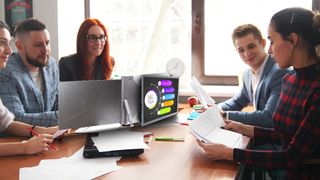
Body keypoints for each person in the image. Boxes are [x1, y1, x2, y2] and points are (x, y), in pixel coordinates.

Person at [197, 7, 320, 179]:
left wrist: (230, 154)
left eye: (272, 41)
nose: (270, 50)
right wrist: (244, 128)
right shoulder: (290, 79)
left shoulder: (315, 89)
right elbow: (284, 134)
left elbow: (292, 157)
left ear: (292, 40)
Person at [0, 20, 58, 156]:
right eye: (1, 43)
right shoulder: (7, 71)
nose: (9, 50)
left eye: (8, 43)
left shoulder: (52, 64)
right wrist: (24, 147)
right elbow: (16, 117)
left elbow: (6, 122)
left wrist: (41, 130)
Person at [217, 24, 290, 128]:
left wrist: (225, 115)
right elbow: (237, 102)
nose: (247, 54)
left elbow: (268, 117)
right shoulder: (247, 74)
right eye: (241, 50)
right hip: (257, 134)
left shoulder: (279, 72)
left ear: (263, 43)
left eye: (251, 46)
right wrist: (216, 109)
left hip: (274, 140)